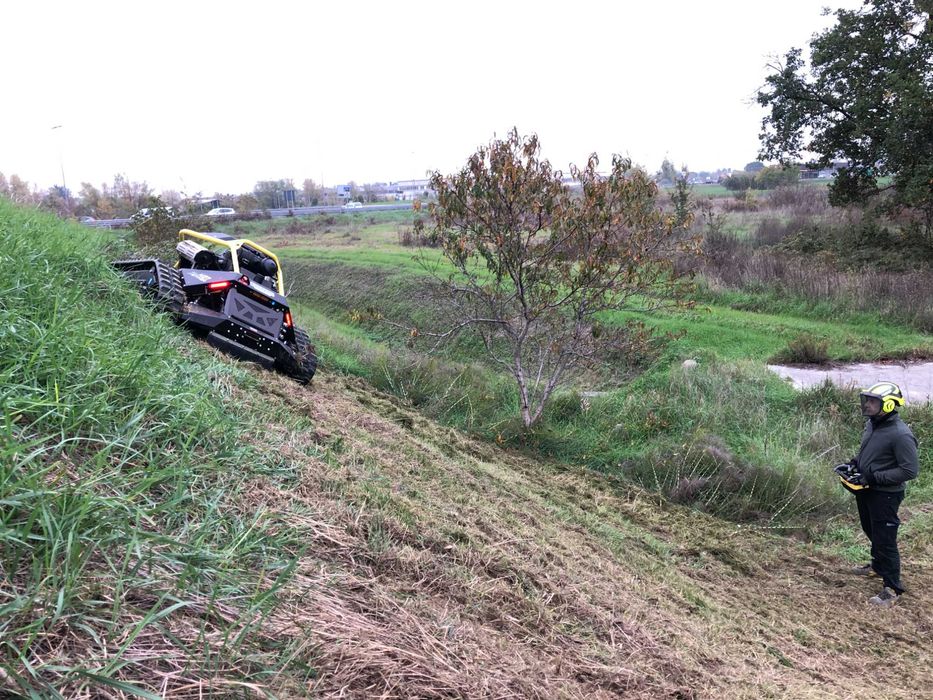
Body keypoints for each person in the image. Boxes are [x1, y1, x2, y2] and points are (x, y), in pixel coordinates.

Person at [844, 382, 919, 607]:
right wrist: (856, 464)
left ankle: (892, 587)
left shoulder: (901, 434)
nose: (867, 405)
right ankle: (877, 567)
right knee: (871, 530)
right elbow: (872, 453)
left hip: (885, 495)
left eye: (873, 401)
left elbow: (909, 470)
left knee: (885, 540)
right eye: (867, 400)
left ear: (887, 405)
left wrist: (875, 477)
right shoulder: (872, 425)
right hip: (867, 490)